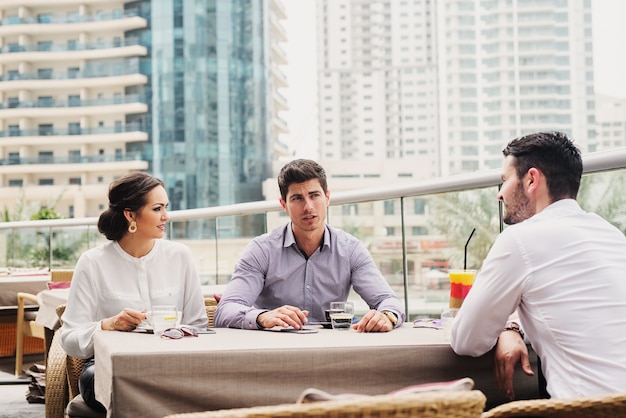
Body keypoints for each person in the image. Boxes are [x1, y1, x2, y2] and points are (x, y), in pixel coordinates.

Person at [450, 131, 626, 399]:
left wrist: (508, 328)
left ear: (531, 179)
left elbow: (467, 340)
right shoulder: (610, 234)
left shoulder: (520, 239)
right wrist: (513, 326)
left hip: (593, 411)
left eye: (505, 180)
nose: (500, 194)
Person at [60, 172, 207, 411]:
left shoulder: (181, 256)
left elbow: (198, 324)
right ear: (131, 215)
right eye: (157, 208)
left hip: (172, 361)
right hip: (109, 365)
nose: (165, 216)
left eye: (165, 208)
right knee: (107, 380)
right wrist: (107, 325)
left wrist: (175, 333)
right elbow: (69, 339)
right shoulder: (92, 262)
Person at [214, 159, 405, 332]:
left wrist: (386, 316)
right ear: (284, 204)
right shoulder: (261, 250)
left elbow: (387, 300)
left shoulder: (351, 249)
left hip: (332, 351)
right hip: (274, 351)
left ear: (327, 197)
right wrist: (263, 317)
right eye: (297, 198)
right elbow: (226, 309)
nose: (308, 207)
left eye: (314, 195)